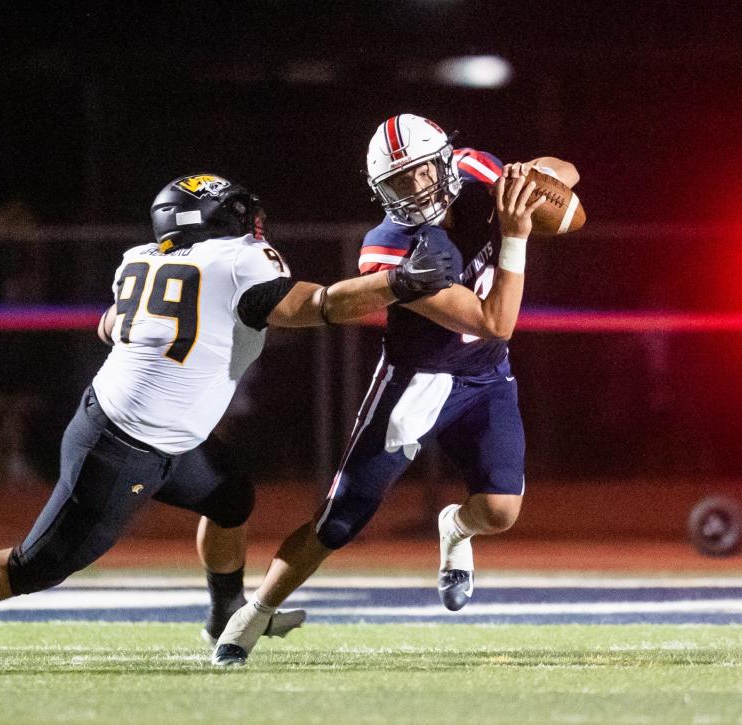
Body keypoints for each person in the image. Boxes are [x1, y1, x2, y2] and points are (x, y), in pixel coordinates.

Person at [0, 172, 454, 668]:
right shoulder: (235, 261)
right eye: (235, 215)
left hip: (163, 437)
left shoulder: (141, 259)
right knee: (39, 565)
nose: (250, 224)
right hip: (123, 445)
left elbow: (111, 323)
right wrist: (399, 283)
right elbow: (318, 306)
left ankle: (224, 613)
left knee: (230, 496)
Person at [212, 114, 579, 666]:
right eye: (396, 183)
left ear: (443, 161)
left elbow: (569, 192)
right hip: (417, 380)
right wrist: (517, 236)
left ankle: (454, 528)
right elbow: (494, 319)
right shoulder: (389, 246)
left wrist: (539, 174)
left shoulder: (477, 170)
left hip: (484, 374)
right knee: (340, 519)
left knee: (501, 512)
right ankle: (254, 614)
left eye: (418, 174)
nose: (411, 191)